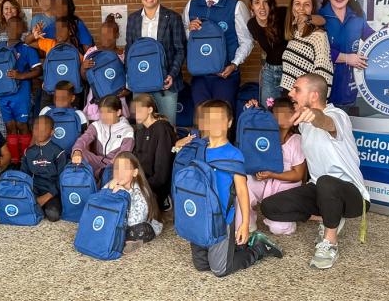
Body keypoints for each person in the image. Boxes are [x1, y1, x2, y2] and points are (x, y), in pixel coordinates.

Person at [261, 73, 370, 270]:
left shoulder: (338, 116)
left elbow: (326, 122)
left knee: (327, 182)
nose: (291, 93)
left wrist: (315, 116)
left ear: (313, 96)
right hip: (320, 191)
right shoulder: (302, 122)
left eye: (297, 89)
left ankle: (330, 242)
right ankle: (330, 217)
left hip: (352, 196)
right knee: (270, 207)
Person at [174, 100, 283, 277]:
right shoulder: (198, 147)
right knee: (201, 266)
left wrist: (245, 224)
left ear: (229, 122)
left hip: (222, 218)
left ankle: (258, 249)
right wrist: (179, 145)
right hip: (200, 215)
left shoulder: (233, 154)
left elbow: (242, 190)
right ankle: (232, 249)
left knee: (219, 269)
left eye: (220, 119)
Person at [183, 0, 253, 111]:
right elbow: (184, 36)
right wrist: (189, 29)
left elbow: (247, 41)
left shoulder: (236, 5)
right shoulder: (192, 4)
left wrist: (234, 64)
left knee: (222, 119)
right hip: (200, 76)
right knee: (202, 118)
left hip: (225, 75)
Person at [237, 97, 307, 235]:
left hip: (285, 188)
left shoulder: (296, 141)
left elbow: (298, 174)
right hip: (264, 182)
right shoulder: (262, 136)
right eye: (278, 114)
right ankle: (247, 222)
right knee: (244, 180)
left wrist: (272, 174)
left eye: (288, 113)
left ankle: (294, 215)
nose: (283, 118)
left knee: (279, 229)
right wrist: (252, 109)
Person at [127, 0, 186, 125]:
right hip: (140, 84)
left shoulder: (173, 18)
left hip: (166, 84)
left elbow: (180, 50)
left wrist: (172, 74)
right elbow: (130, 51)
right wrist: (130, 77)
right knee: (142, 128)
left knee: (167, 126)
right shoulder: (133, 19)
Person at [0, 16, 42, 167]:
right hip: (3, 95)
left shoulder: (27, 49)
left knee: (22, 126)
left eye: (17, 27)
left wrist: (20, 75)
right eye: (11, 26)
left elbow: (38, 70)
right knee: (10, 127)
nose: (14, 30)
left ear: (22, 30)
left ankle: (26, 160)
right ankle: (14, 161)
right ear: (6, 29)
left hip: (21, 95)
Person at [103, 152, 163, 253]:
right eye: (116, 168)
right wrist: (109, 192)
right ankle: (118, 239)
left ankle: (132, 242)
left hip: (136, 226)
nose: (119, 172)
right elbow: (100, 205)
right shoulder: (110, 185)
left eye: (125, 168)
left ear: (135, 172)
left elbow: (135, 221)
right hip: (117, 224)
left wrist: (123, 194)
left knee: (139, 230)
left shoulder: (141, 191)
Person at [280, 0, 333, 94]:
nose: (301, 8)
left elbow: (324, 76)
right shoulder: (294, 31)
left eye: (306, 4)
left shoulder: (318, 36)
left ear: (312, 8)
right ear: (292, 8)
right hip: (289, 95)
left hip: (306, 99)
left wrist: (316, 106)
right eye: (297, 4)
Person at [0, 0, 28, 136]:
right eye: (6, 8)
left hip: (20, 82)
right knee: (6, 121)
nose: (9, 11)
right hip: (2, 81)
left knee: (22, 122)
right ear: (2, 11)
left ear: (17, 10)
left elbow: (27, 47)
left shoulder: (24, 27)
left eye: (12, 8)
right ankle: (10, 153)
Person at [71, 95, 134, 180]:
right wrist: (77, 151)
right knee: (80, 153)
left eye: (108, 112)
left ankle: (98, 177)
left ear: (118, 112)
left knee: (119, 165)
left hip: (114, 165)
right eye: (101, 112)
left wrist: (102, 170)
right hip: (97, 161)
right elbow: (83, 139)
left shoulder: (127, 130)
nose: (104, 116)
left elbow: (123, 155)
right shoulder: (96, 125)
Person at [131, 93, 175, 212]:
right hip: (139, 181)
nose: (136, 114)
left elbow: (162, 169)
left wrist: (143, 186)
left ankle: (164, 199)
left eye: (139, 110)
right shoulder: (140, 132)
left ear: (150, 109)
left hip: (154, 187)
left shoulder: (162, 129)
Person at [27, 17, 84, 109]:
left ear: (70, 31)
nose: (59, 32)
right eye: (56, 29)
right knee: (46, 119)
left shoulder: (74, 51)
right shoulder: (50, 44)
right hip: (49, 92)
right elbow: (28, 42)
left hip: (69, 94)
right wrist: (34, 35)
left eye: (62, 29)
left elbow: (83, 71)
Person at [81, 14, 130, 121]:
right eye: (103, 34)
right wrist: (83, 67)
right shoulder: (92, 52)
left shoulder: (124, 54)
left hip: (118, 100)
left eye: (109, 34)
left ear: (117, 35)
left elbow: (130, 77)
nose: (105, 37)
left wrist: (128, 90)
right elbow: (85, 78)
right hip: (97, 100)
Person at [21, 116, 67, 222]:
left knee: (53, 214)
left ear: (52, 132)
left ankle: (39, 208)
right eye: (36, 128)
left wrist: (47, 196)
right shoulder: (28, 152)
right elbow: (24, 175)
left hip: (52, 192)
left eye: (44, 129)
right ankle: (36, 207)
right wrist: (28, 194)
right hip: (35, 189)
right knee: (19, 206)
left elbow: (62, 179)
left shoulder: (59, 152)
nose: (39, 132)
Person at [39, 81, 88, 153]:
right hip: (49, 157)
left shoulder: (79, 115)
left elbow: (86, 139)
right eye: (56, 97)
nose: (59, 101)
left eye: (63, 98)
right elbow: (37, 135)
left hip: (72, 157)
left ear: (72, 98)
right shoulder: (46, 111)